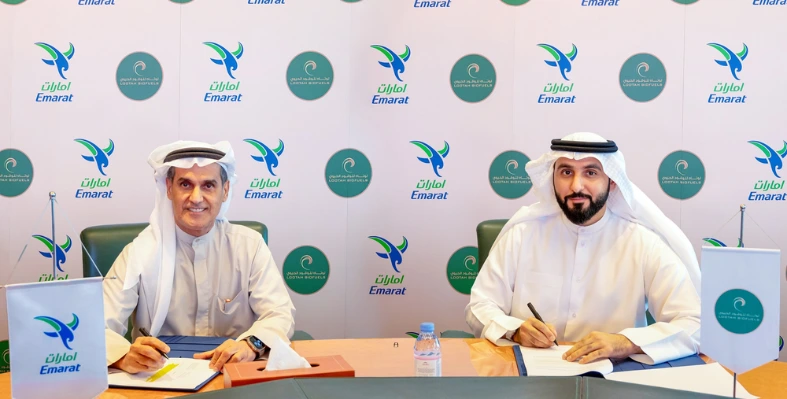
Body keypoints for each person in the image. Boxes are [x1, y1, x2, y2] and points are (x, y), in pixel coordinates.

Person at [466, 132, 701, 366]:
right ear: (552, 178)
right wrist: (515, 330)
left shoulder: (643, 244)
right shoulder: (522, 234)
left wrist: (626, 342)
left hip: (616, 379)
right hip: (530, 375)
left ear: (612, 181)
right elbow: (480, 306)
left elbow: (693, 323)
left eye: (591, 173)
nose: (576, 186)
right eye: (566, 172)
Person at [103, 140, 296, 374]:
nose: (196, 198)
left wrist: (251, 345)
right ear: (169, 188)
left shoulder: (249, 246)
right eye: (185, 184)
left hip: (234, 377)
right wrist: (123, 356)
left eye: (208, 186)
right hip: (160, 379)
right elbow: (97, 325)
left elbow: (279, 313)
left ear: (224, 191)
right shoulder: (139, 253)